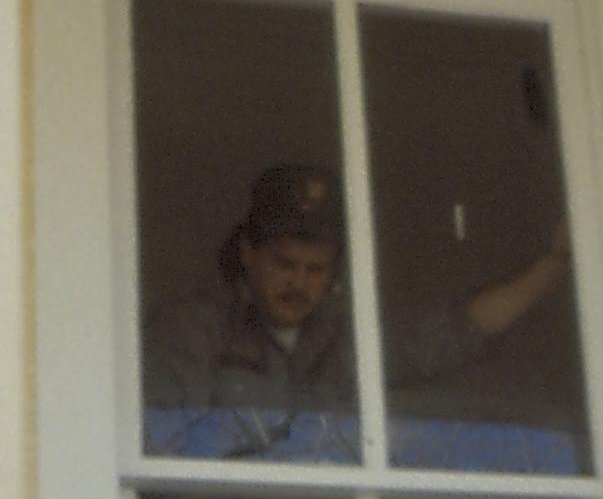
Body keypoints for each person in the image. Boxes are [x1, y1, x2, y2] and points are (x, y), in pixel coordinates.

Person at [141, 162, 569, 442]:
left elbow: (457, 331)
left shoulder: (345, 339)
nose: (299, 283)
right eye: (284, 263)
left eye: (316, 269)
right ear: (248, 253)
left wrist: (555, 263)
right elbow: (155, 434)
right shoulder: (195, 328)